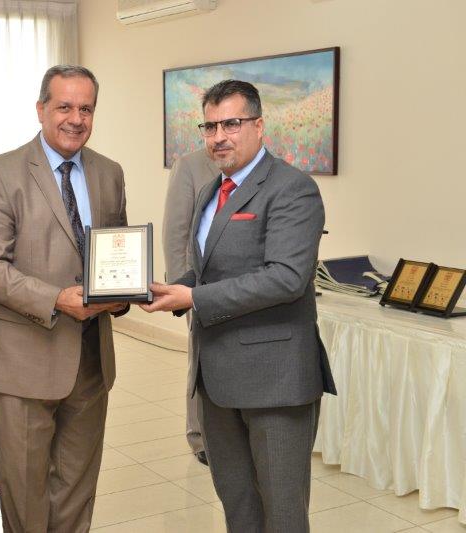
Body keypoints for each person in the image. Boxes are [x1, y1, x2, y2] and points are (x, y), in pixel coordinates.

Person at [141, 79, 336, 533]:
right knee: (238, 506)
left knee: (282, 513)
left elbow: (286, 278)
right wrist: (172, 289)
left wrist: (195, 298)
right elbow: (208, 270)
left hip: (275, 381)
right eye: (209, 127)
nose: (218, 137)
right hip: (216, 379)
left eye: (231, 123)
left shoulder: (293, 188)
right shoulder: (213, 189)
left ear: (259, 125)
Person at [0, 65, 128, 533]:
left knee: (77, 488)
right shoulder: (0, 174)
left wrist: (123, 295)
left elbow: (116, 252)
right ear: (41, 109)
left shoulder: (109, 173)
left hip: (91, 360)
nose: (76, 119)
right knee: (25, 491)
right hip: (23, 361)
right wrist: (57, 299)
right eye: (64, 107)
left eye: (86, 109)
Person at [162, 149, 218, 466]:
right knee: (201, 359)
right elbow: (175, 231)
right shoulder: (190, 167)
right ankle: (199, 436)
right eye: (212, 126)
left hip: (239, 289)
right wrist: (178, 288)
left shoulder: (255, 164)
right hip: (196, 285)